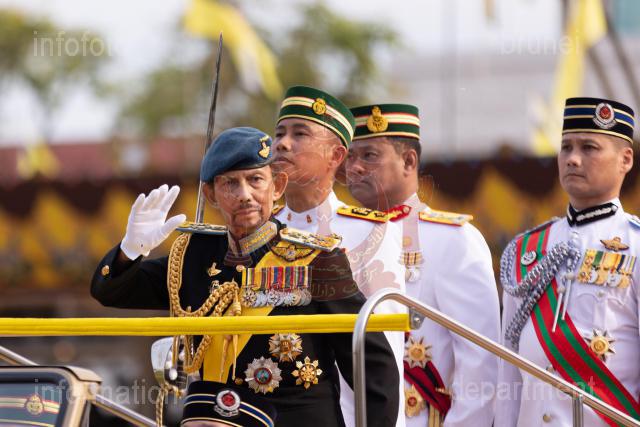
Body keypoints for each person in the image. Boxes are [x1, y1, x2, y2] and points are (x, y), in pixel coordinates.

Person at [90, 127, 400, 427]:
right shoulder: (192, 256)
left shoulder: (316, 259)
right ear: (210, 194)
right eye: (230, 184)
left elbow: (373, 365)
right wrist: (130, 249)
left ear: (277, 186)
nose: (245, 195)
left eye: (255, 180)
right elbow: (111, 291)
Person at [344, 103, 500, 426]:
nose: (355, 167)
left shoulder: (453, 239)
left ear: (408, 161)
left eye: (369, 155)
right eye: (350, 156)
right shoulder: (338, 238)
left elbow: (481, 364)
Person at [496, 97, 640, 426]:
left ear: (625, 159)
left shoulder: (635, 246)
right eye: (566, 147)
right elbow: (508, 372)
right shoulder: (524, 250)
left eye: (589, 147)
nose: (573, 159)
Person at [272, 86, 406, 426]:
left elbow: (382, 350)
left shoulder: (370, 232)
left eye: (300, 134)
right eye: (279, 133)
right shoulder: (261, 231)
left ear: (335, 156)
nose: (283, 143)